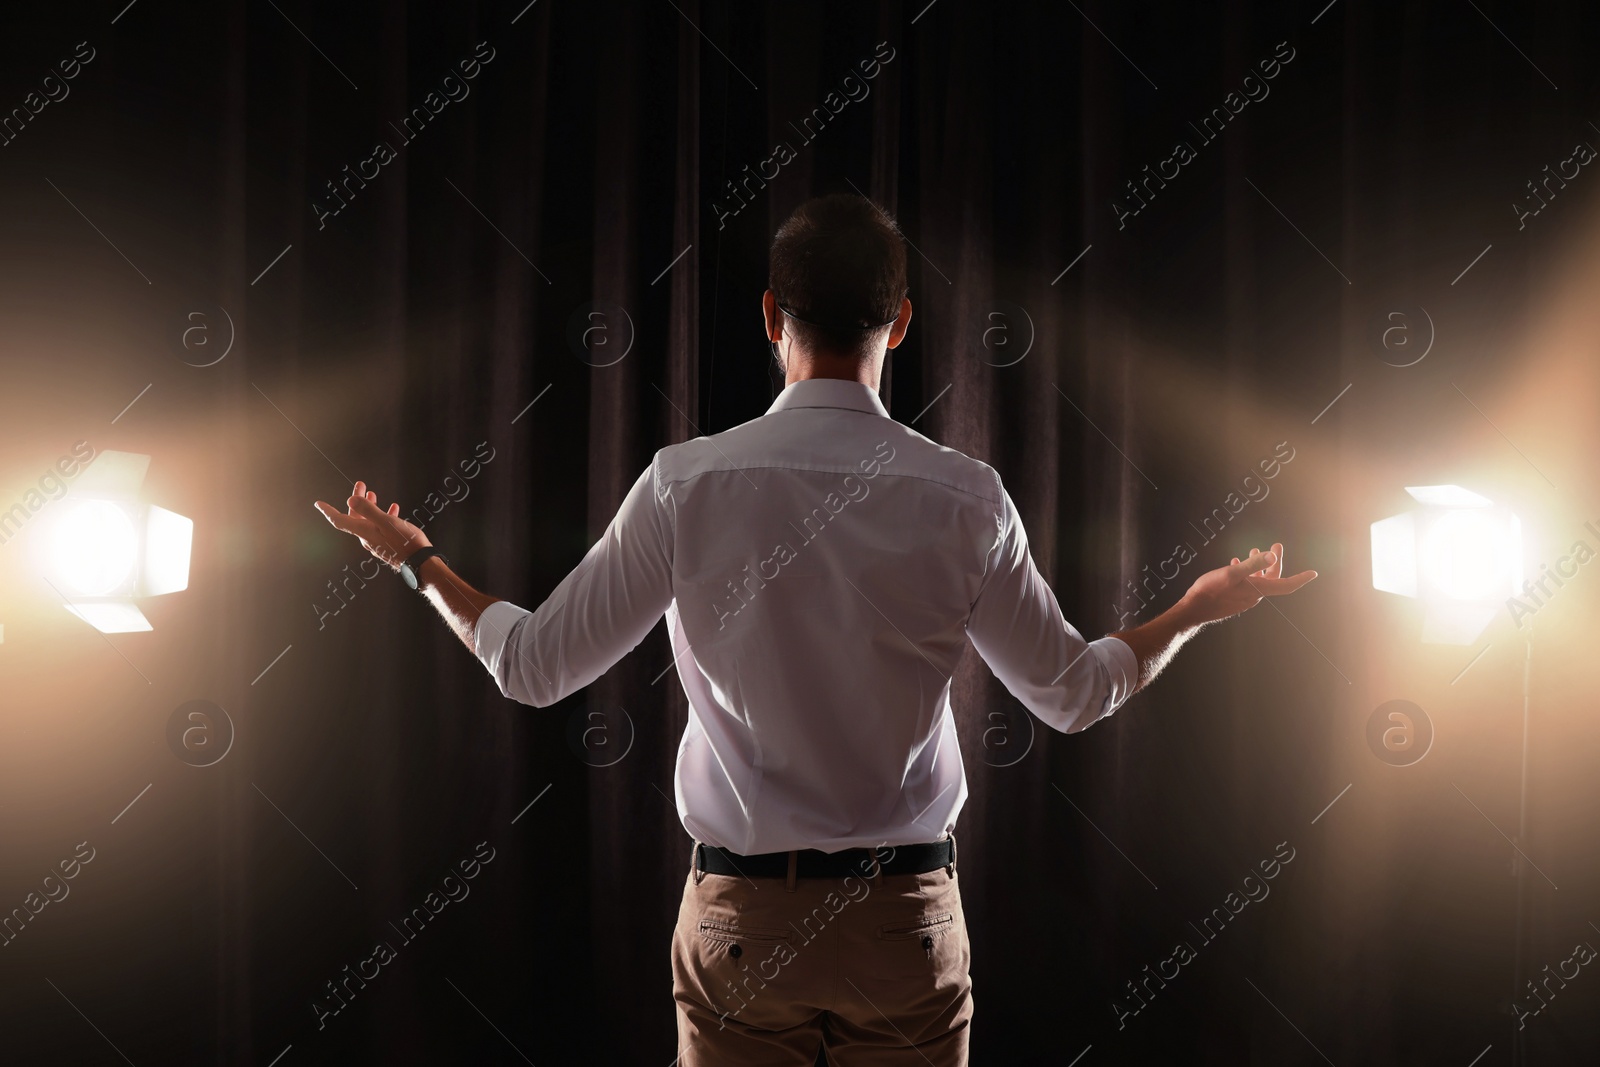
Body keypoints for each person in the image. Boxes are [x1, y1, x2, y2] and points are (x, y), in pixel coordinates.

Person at [314, 193, 1317, 1065]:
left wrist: (414, 557)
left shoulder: (684, 482)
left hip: (741, 919)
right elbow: (1073, 692)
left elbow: (532, 667)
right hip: (905, 920)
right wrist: (1194, 609)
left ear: (767, 315)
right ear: (903, 321)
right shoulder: (968, 496)